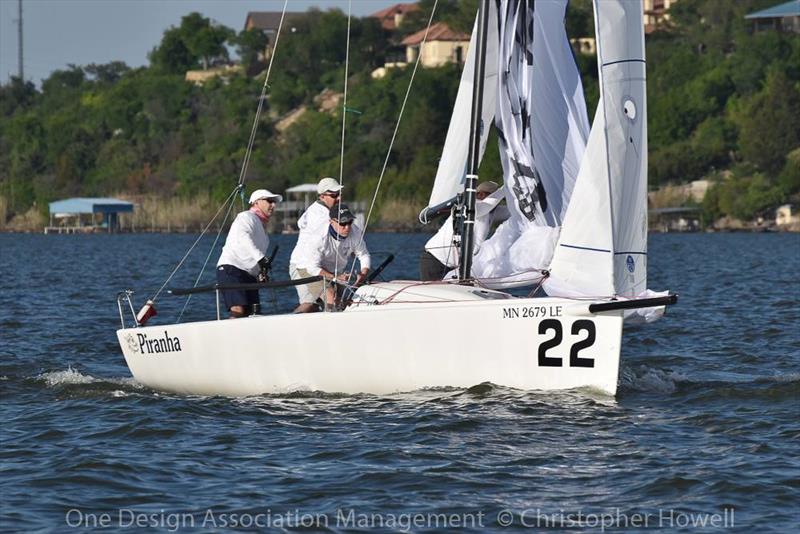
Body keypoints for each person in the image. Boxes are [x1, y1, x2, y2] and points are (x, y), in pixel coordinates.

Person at [420, 181, 509, 281]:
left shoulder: (491, 212)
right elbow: (485, 207)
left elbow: (512, 211)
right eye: (496, 198)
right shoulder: (471, 207)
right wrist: (505, 188)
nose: (498, 202)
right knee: (436, 295)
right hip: (434, 261)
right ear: (481, 194)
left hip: (456, 267)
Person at [290, 204, 371, 312]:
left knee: (342, 302)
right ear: (332, 222)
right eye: (343, 223)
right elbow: (313, 268)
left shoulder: (355, 232)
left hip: (335, 269)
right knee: (331, 297)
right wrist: (335, 277)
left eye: (350, 222)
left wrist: (363, 275)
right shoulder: (319, 237)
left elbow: (364, 255)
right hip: (309, 268)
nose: (347, 227)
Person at [216, 188, 282, 318]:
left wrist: (260, 273)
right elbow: (243, 237)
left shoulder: (264, 232)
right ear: (256, 202)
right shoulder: (246, 216)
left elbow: (253, 257)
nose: (273, 205)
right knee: (238, 310)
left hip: (249, 275)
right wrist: (261, 259)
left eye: (274, 202)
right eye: (269, 201)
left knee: (254, 313)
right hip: (231, 269)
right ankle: (229, 336)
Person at [289, 177, 344, 308]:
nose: (339, 198)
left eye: (340, 194)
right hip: (302, 265)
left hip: (318, 264)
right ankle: (289, 326)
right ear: (323, 196)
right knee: (311, 304)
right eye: (334, 195)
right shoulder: (319, 215)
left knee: (325, 302)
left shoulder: (323, 211)